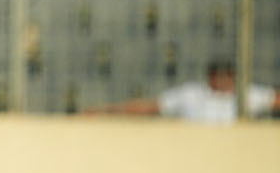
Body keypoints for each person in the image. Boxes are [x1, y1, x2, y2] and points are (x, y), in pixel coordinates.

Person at [87, 62, 279, 123]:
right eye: (218, 76)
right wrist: (105, 111)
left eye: (226, 76)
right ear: (210, 76)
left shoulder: (248, 94)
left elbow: (275, 100)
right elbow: (150, 106)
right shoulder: (192, 94)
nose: (222, 81)